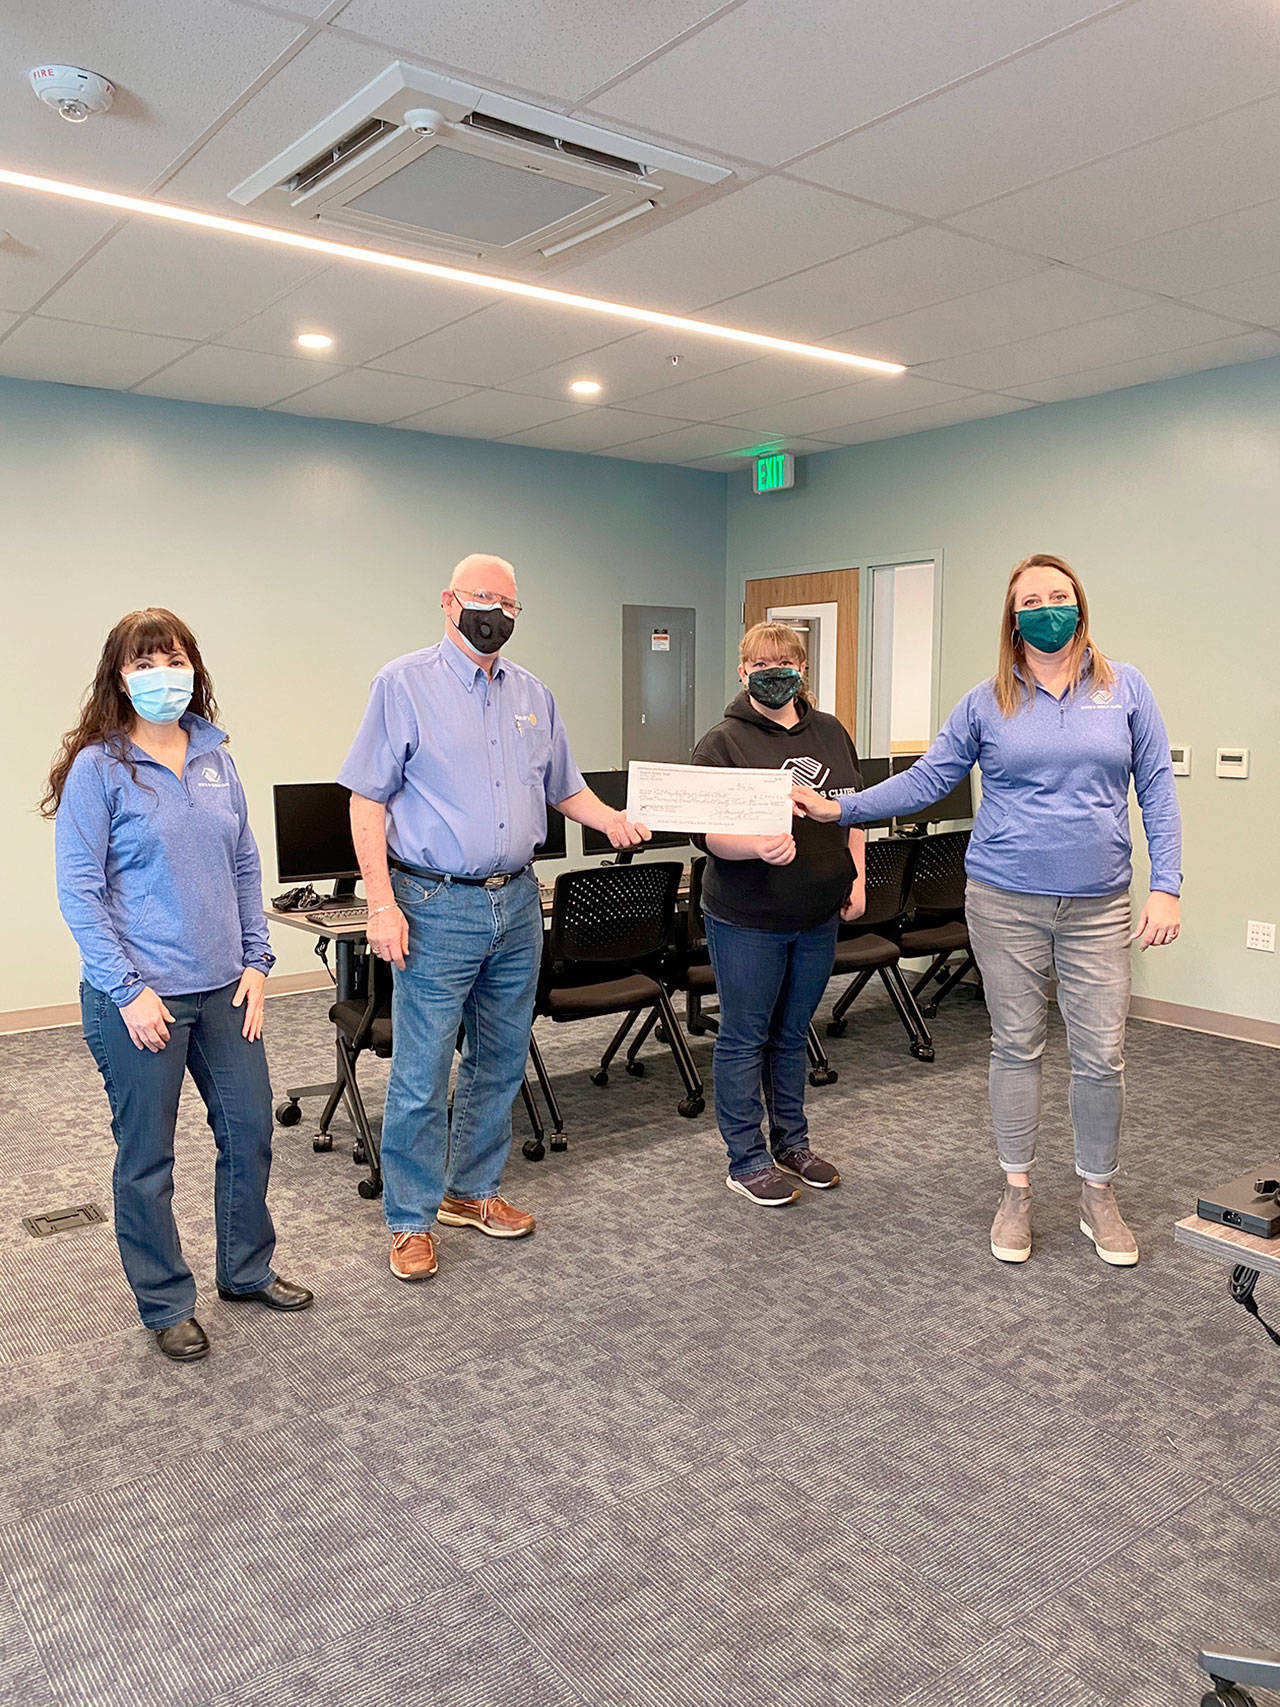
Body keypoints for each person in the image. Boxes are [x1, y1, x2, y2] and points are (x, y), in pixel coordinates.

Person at [793, 554, 1181, 1268]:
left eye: (1057, 596)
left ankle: (1098, 1195)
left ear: (1079, 606)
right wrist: (839, 807)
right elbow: (930, 777)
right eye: (1030, 600)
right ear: (1013, 618)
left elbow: (1155, 786)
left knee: (1102, 1054)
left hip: (1097, 903)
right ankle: (1018, 1190)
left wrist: (1168, 884)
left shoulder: (1126, 689)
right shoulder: (985, 701)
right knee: (1018, 1045)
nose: (1045, 608)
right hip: (1005, 899)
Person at [339, 553, 649, 1284]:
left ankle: (469, 1191)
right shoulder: (402, 684)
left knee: (501, 1058)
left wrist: (613, 820)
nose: (496, 613)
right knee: (421, 1071)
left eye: (509, 603)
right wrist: (379, 902)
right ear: (448, 601)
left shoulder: (533, 694)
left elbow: (565, 787)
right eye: (483, 598)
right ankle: (409, 1220)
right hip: (433, 901)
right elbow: (366, 801)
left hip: (516, 903)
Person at [46, 609, 312, 1363]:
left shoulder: (215, 755)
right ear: (119, 678)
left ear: (194, 666)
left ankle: (247, 1268)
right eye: (144, 662)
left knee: (252, 1130)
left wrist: (258, 961)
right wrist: (127, 989)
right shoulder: (100, 768)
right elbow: (79, 891)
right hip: (141, 1001)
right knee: (147, 1159)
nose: (162, 673)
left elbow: (244, 865)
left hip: (226, 987)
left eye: (173, 658)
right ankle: (166, 1302)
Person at [692, 621, 866, 1207]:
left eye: (785, 662)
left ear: (802, 670)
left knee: (793, 1035)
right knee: (744, 1037)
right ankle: (745, 1158)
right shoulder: (722, 742)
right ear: (743, 672)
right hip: (747, 918)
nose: (774, 672)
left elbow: (852, 810)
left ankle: (793, 1143)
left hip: (817, 913)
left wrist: (857, 877)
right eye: (761, 664)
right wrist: (755, 845)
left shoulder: (831, 732)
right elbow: (708, 835)